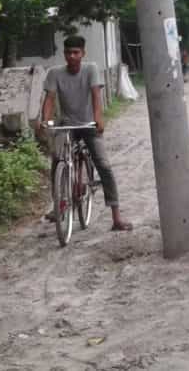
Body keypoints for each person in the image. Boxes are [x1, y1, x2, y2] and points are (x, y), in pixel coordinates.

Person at [39, 35, 133, 232]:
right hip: (67, 126)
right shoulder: (55, 73)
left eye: (76, 52)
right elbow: (49, 99)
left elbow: (96, 95)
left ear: (83, 53)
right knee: (57, 160)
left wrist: (98, 118)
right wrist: (45, 121)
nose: (72, 56)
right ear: (64, 54)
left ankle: (116, 217)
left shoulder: (91, 69)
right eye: (68, 53)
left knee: (104, 165)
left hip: (89, 125)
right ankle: (59, 204)